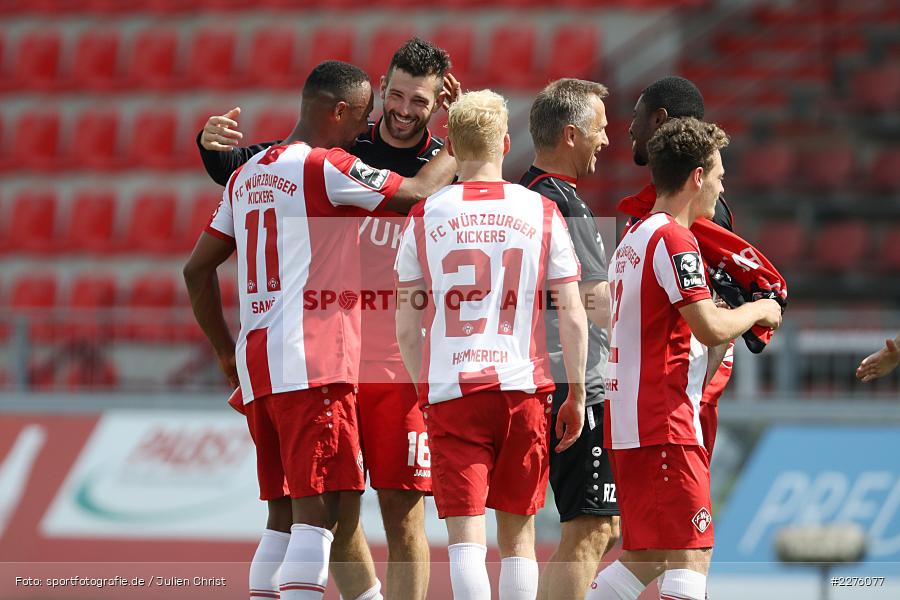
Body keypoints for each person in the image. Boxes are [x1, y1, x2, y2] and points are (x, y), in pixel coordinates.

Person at [183, 60, 455, 600]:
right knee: (319, 517)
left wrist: (222, 350)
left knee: (283, 517)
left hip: (259, 361)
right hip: (314, 358)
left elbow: (195, 270)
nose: (365, 131)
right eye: (364, 117)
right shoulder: (324, 166)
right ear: (341, 110)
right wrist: (469, 132)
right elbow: (420, 191)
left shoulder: (249, 172)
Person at [394, 89, 589, 600]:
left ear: (452, 148)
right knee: (520, 537)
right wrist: (578, 393)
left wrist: (423, 388)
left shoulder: (425, 214)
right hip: (523, 387)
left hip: (454, 390)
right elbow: (571, 312)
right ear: (505, 142)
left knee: (465, 542)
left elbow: (405, 322)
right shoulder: (542, 211)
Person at [586, 117, 782, 600]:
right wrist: (759, 308)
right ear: (696, 176)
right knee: (693, 550)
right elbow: (709, 327)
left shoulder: (631, 240)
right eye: (717, 174)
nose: (721, 184)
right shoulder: (673, 239)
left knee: (647, 555)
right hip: (665, 421)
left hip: (631, 424)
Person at [517, 78, 619, 600]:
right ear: (572, 134)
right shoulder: (565, 206)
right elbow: (599, 303)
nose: (607, 140)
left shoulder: (524, 195)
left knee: (599, 525)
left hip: (537, 376)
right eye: (599, 129)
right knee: (591, 527)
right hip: (573, 380)